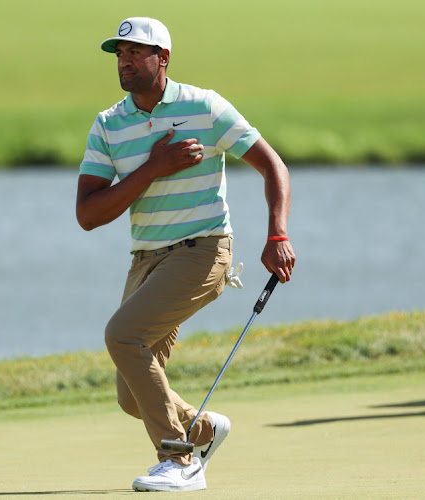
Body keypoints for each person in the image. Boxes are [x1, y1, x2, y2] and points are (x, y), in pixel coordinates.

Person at [75, 17, 296, 492]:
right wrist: (155, 168)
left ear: (163, 58)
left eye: (136, 52)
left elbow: (271, 165)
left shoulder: (204, 106)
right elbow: (89, 214)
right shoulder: (109, 124)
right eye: (120, 53)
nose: (125, 61)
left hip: (203, 251)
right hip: (145, 260)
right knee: (131, 395)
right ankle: (204, 431)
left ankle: (179, 460)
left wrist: (277, 233)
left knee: (122, 334)